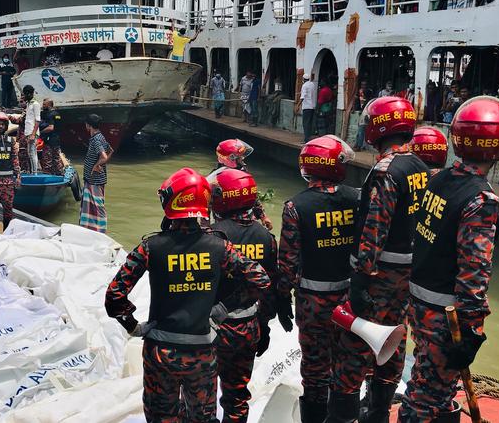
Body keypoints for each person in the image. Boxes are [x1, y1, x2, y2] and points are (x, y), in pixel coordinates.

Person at [104, 168, 270, 423]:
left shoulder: (151, 247)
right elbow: (260, 279)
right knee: (202, 418)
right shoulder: (219, 246)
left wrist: (134, 326)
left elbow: (114, 296)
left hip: (160, 351)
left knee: (162, 417)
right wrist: (224, 308)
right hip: (202, 351)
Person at [399, 97, 499, 421]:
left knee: (427, 387)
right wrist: (471, 330)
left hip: (420, 303)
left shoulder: (439, 180)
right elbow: (474, 272)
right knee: (428, 399)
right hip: (445, 316)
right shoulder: (481, 198)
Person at [329, 95, 428, 423]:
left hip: (380, 275)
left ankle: (342, 417)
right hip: (408, 276)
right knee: (394, 343)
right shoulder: (420, 167)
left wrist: (360, 277)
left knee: (353, 351)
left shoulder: (386, 170)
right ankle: (379, 414)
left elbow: (375, 227)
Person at [278, 135, 360, 423]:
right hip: (352, 302)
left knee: (314, 371)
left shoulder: (295, 207)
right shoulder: (357, 198)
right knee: (347, 367)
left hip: (312, 304)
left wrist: (281, 300)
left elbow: (287, 264)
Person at [209, 168, 285, 423]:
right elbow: (270, 286)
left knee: (204, 394)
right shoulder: (266, 237)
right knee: (237, 396)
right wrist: (264, 326)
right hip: (248, 326)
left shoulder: (212, 234)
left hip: (213, 328)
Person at [79, 114, 113, 233]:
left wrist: (96, 165)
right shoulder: (101, 137)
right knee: (92, 206)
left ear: (88, 125)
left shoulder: (96, 139)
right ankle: (90, 230)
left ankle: (101, 231)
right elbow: (110, 151)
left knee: (98, 207)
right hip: (94, 179)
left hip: (94, 179)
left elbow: (104, 156)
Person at [39, 99, 63, 175]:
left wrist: (40, 132)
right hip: (57, 140)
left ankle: (47, 178)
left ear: (49, 105)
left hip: (49, 141)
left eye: (44, 105)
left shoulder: (50, 115)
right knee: (56, 159)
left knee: (47, 161)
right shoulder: (57, 114)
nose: (42, 106)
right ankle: (59, 176)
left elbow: (50, 127)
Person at [21, 84, 41, 174]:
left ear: (30, 94)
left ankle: (34, 172)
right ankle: (33, 171)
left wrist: (33, 134)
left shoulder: (36, 104)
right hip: (28, 132)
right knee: (30, 153)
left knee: (32, 153)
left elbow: (37, 120)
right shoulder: (29, 104)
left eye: (25, 95)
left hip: (32, 133)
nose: (24, 96)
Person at [300, 74, 317, 140]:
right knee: (310, 123)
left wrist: (297, 106)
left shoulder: (304, 86)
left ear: (303, 79)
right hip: (312, 107)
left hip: (306, 107)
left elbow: (302, 97)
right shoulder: (312, 84)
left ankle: (306, 139)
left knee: (305, 123)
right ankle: (308, 138)